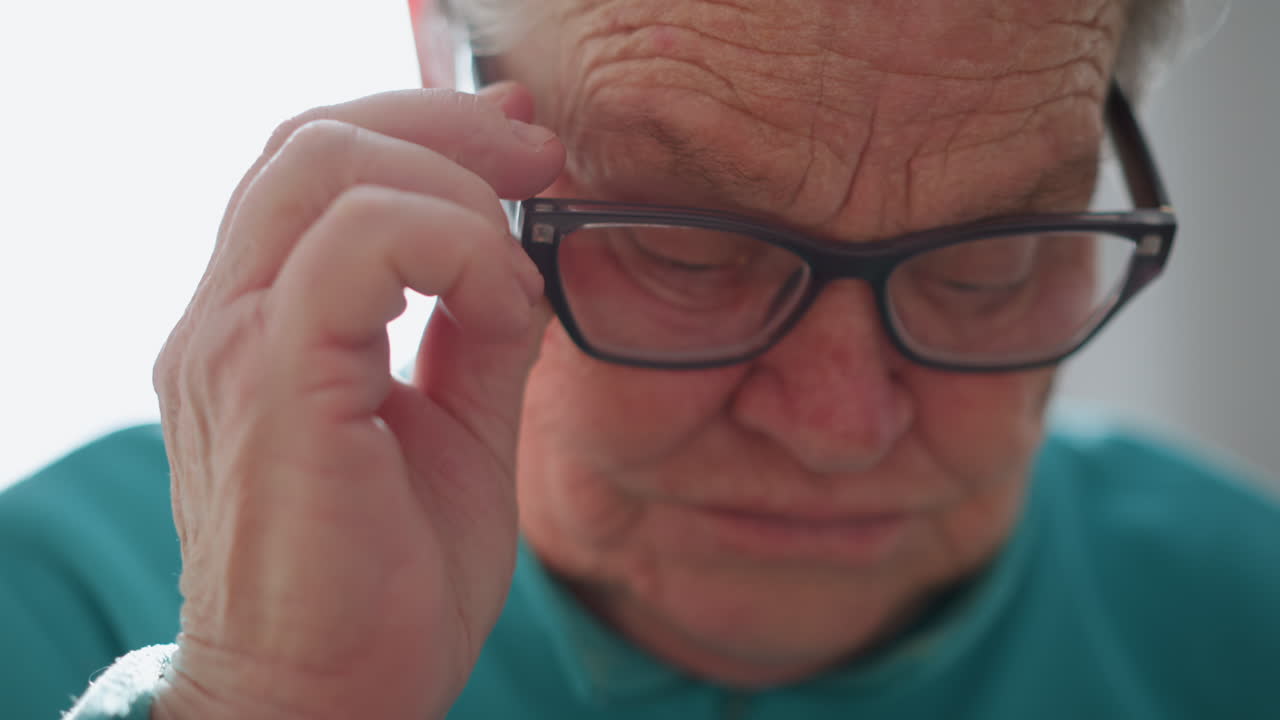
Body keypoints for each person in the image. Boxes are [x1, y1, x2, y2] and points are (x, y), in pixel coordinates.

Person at [2, 0, 1278, 717]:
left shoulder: (1243, 623)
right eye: (685, 246)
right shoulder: (51, 604)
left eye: (987, 258)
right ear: (444, 72)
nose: (837, 424)